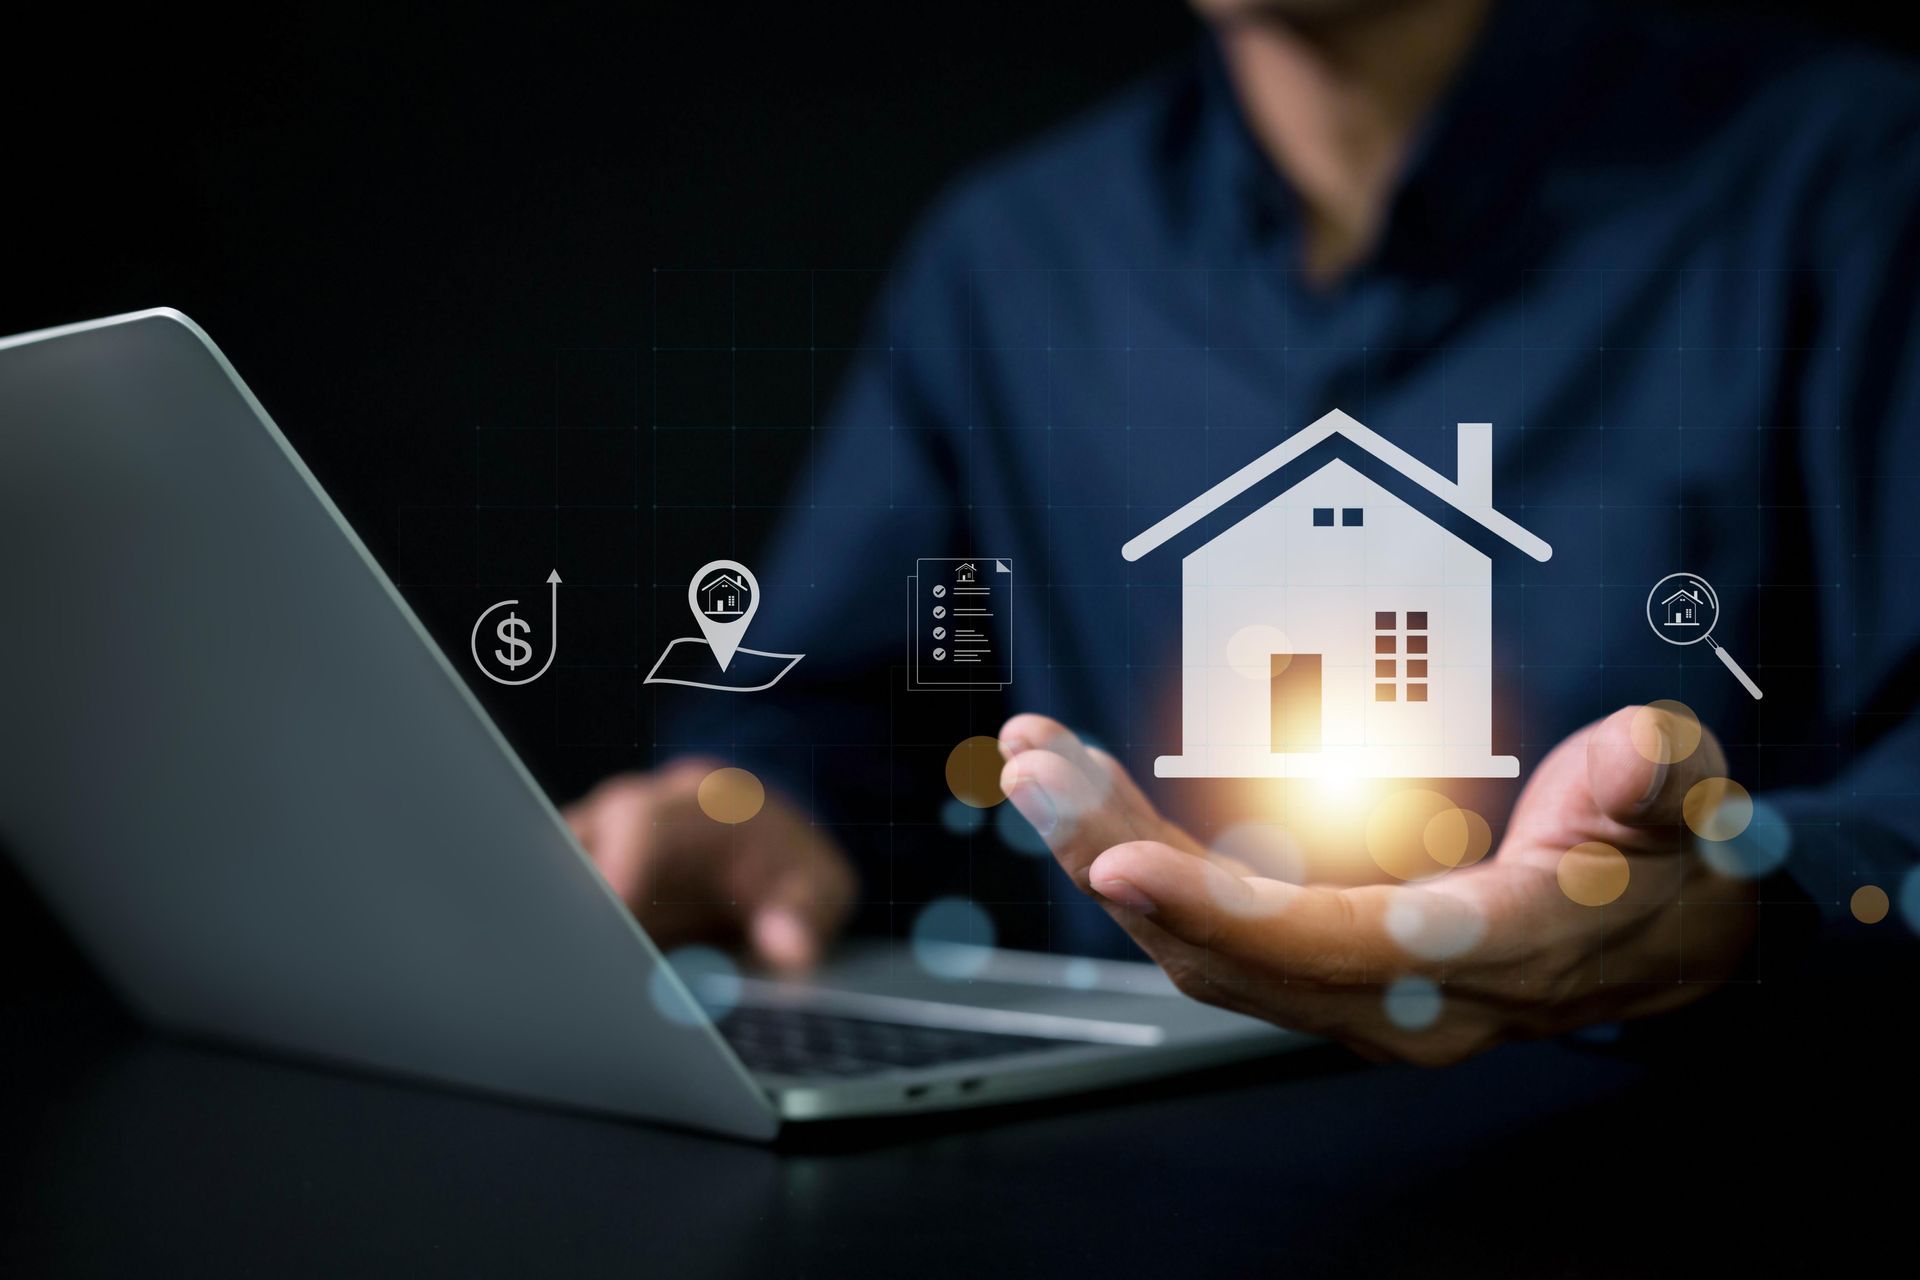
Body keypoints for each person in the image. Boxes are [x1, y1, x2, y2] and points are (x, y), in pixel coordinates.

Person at [566, 0, 1920, 1061]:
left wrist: (1738, 905)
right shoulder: (1016, 260)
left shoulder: (1845, 179)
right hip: (1099, 1185)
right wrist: (748, 812)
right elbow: (846, 706)